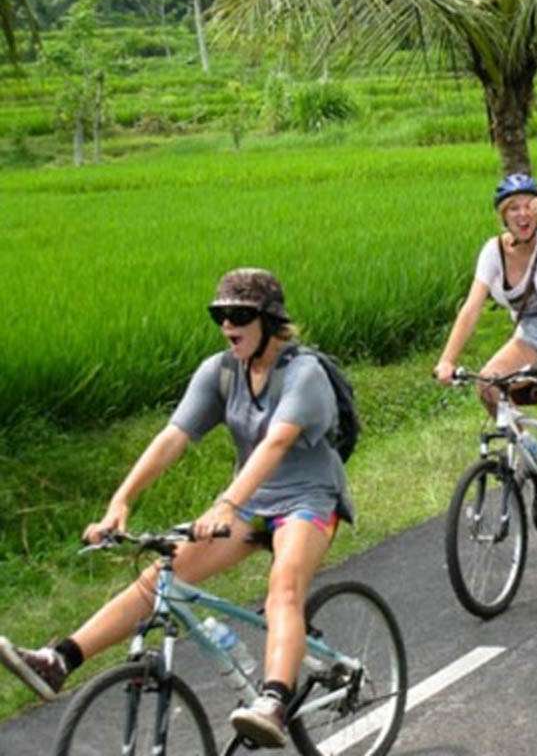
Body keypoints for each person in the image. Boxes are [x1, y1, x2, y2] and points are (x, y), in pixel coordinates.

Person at [0, 268, 354, 748]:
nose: (227, 324)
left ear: (270, 321)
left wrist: (226, 503)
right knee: (158, 576)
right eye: (220, 315)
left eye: (240, 315)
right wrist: (119, 503)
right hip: (251, 503)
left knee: (283, 589)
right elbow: (173, 438)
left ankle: (272, 699)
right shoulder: (222, 371)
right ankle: (60, 659)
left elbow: (275, 445)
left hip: (308, 501)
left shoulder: (304, 375)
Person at [434, 173, 537, 557]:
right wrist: (447, 359)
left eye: (529, 205)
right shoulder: (492, 251)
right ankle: (527, 452)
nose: (522, 214)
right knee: (487, 384)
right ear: (503, 217)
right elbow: (471, 307)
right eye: (513, 209)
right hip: (530, 334)